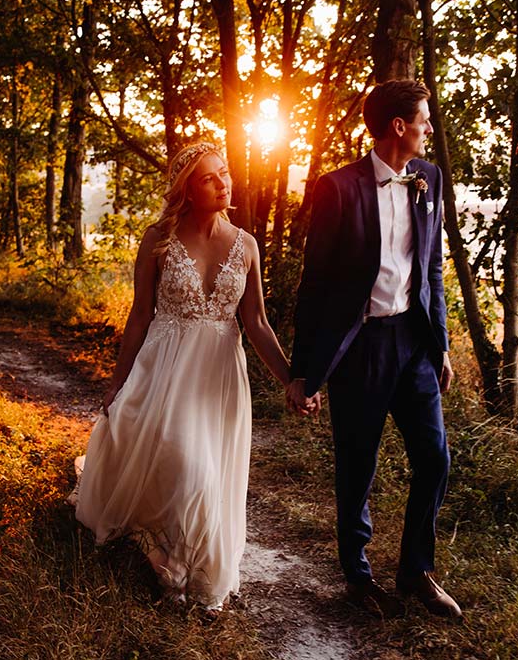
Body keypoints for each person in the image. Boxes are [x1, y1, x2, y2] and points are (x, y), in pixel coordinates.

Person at [75, 142, 310, 614]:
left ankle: (182, 566)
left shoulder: (246, 245)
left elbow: (257, 323)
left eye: (225, 173)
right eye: (210, 178)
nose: (224, 183)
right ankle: (172, 568)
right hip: (163, 365)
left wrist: (292, 379)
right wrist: (117, 382)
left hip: (217, 376)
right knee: (184, 464)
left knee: (205, 470)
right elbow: (140, 316)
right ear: (187, 188)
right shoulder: (158, 238)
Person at [287, 79, 462, 618]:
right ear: (398, 127)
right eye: (425, 120)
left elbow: (431, 267)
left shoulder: (429, 179)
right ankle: (358, 578)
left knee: (434, 458)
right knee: (357, 464)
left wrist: (443, 347)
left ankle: (416, 572)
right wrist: (304, 372)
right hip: (360, 346)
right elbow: (315, 283)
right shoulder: (337, 188)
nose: (430, 129)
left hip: (413, 342)